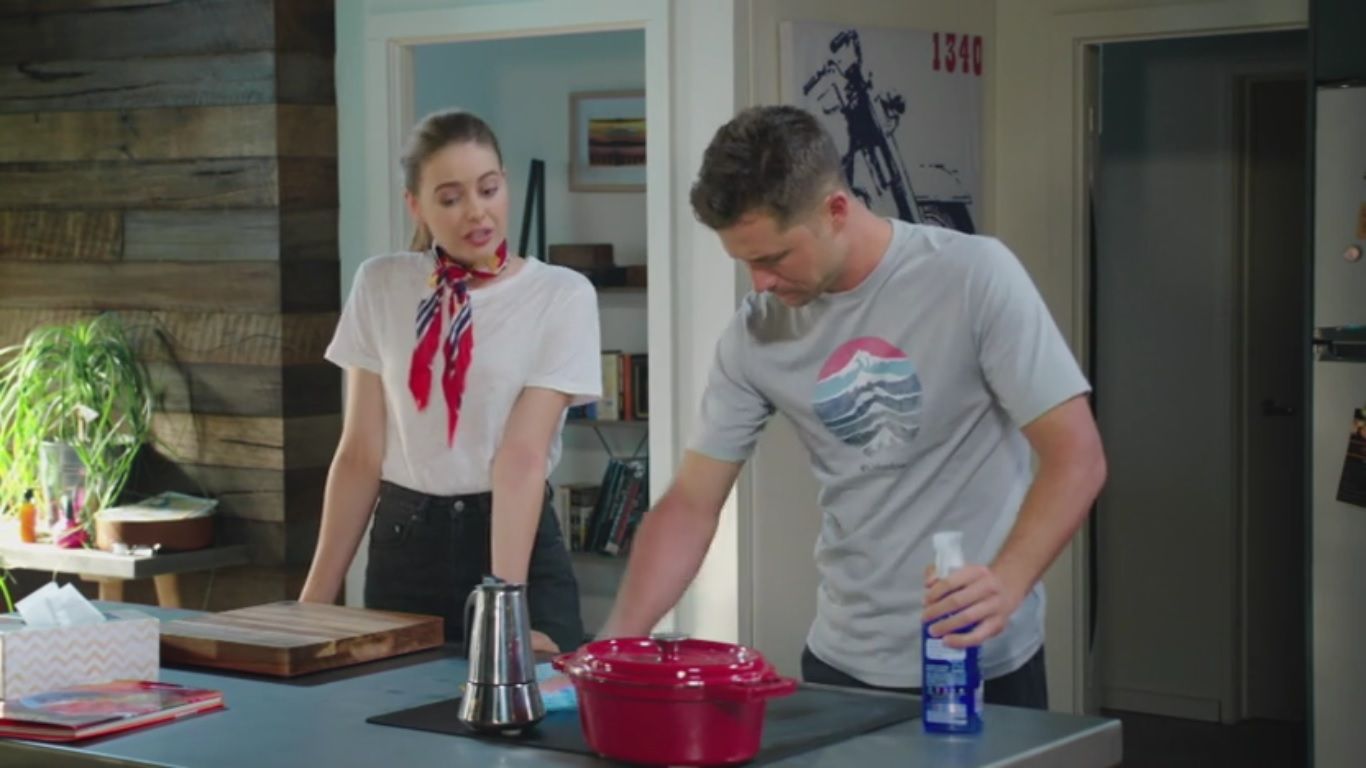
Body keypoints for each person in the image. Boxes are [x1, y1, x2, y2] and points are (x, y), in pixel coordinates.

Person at [599, 105, 1107, 708]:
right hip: (841, 662)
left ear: (836, 210)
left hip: (979, 661)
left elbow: (1077, 458)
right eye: (746, 263)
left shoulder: (973, 277)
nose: (759, 283)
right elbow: (690, 504)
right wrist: (610, 648)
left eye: (773, 258)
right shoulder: (755, 333)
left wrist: (1009, 580)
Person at [299, 110, 601, 655]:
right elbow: (361, 453)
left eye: (488, 189)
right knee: (395, 708)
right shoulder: (380, 284)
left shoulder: (562, 294)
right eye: (450, 197)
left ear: (505, 183)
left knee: (527, 703)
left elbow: (522, 457)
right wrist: (311, 609)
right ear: (415, 205)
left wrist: (506, 608)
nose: (476, 212)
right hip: (405, 547)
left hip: (513, 545)